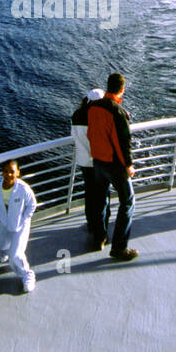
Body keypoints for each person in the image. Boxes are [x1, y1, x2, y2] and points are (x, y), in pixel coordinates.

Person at [88, 72, 138, 260]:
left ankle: (99, 237)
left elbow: (91, 134)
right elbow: (123, 142)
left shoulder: (93, 107)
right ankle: (119, 248)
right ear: (122, 90)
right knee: (127, 202)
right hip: (114, 165)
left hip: (98, 162)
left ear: (108, 86)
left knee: (101, 199)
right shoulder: (117, 112)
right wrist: (129, 165)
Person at [0, 160, 39, 293]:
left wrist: (22, 220)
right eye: (6, 171)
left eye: (12, 172)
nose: (8, 175)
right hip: (5, 221)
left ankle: (28, 276)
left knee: (16, 255)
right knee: (1, 245)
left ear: (18, 172)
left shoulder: (23, 189)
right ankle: (5, 254)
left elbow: (32, 205)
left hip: (20, 226)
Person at [72, 88, 110, 250]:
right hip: (99, 162)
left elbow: (76, 136)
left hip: (84, 162)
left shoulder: (76, 115)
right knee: (102, 197)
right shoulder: (100, 116)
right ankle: (101, 235)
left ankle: (91, 225)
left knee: (89, 193)